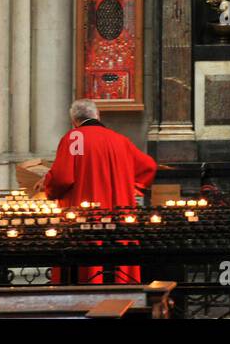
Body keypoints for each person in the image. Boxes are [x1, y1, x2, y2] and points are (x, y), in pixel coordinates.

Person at [42, 99, 157, 284]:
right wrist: (131, 188)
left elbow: (63, 178)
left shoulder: (74, 138)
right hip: (118, 214)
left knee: (85, 263)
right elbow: (149, 166)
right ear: (98, 115)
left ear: (74, 121)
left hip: (85, 216)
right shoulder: (119, 139)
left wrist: (47, 184)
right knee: (118, 260)